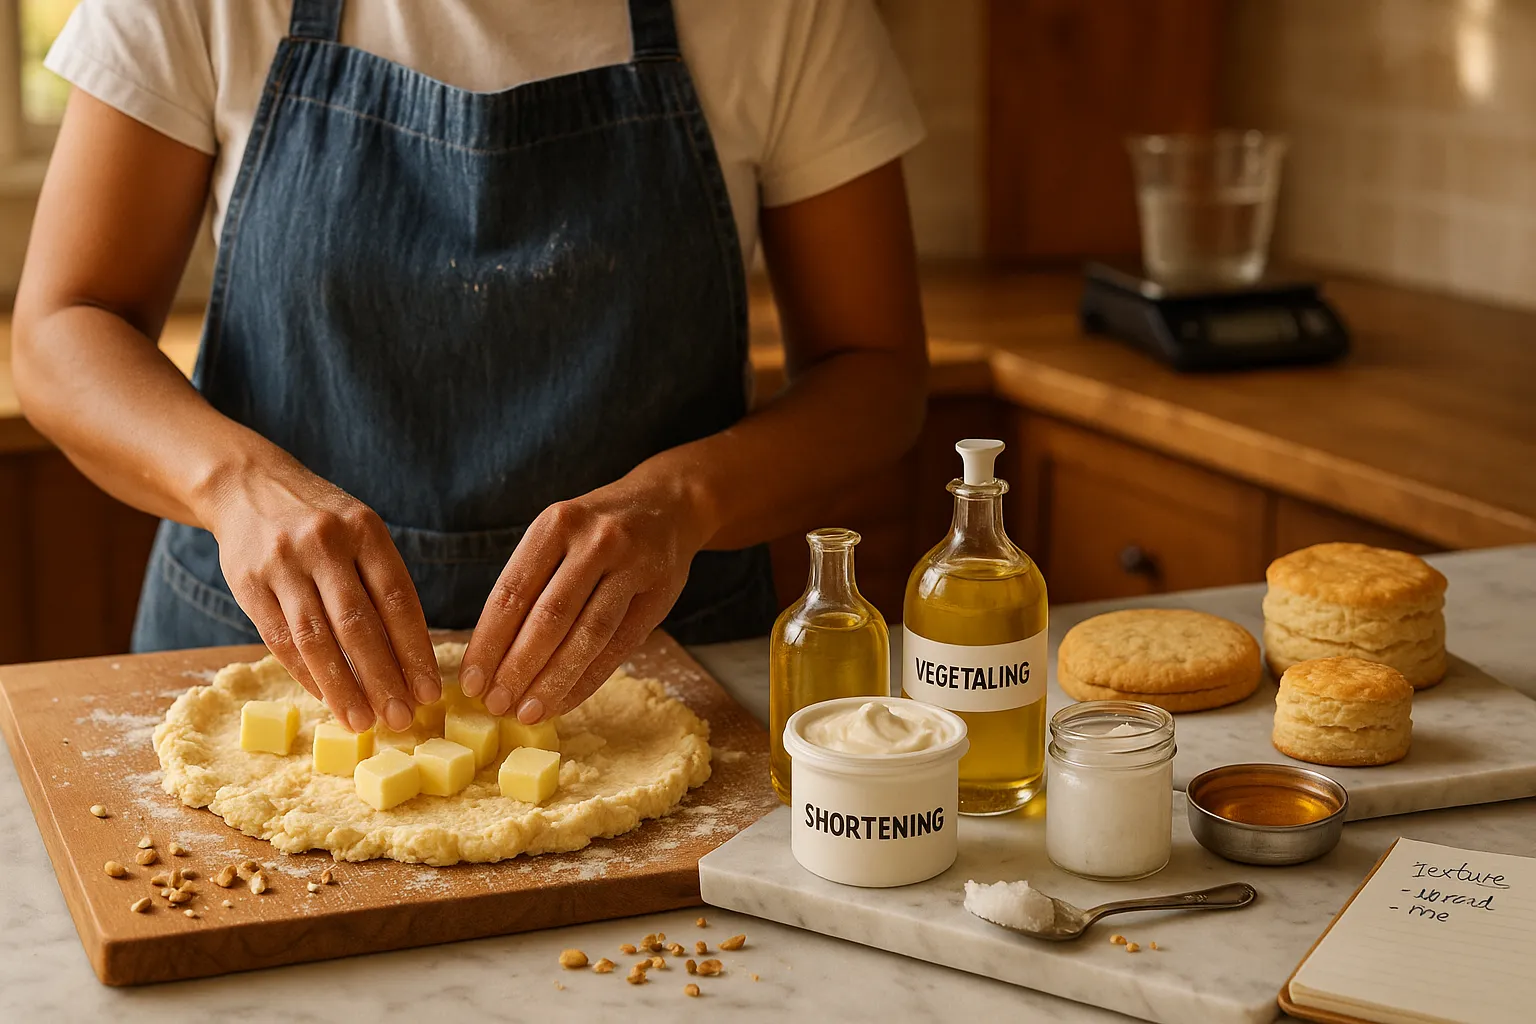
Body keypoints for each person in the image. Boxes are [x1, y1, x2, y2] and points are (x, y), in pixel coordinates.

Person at [12, 0, 928, 736]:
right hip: (254, 669)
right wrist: (236, 486)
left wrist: (687, 501)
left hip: (656, 676)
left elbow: (875, 372)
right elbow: (61, 329)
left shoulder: (788, 14)